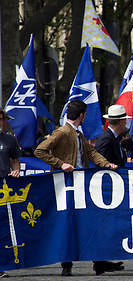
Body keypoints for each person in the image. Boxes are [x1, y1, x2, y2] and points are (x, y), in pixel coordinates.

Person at [34, 100, 120, 276]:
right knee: (67, 223)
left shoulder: (78, 134)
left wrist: (106, 164)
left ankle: (98, 262)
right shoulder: (63, 132)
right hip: (67, 185)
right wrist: (61, 164)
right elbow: (40, 150)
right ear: (82, 115)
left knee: (89, 221)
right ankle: (67, 265)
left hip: (81, 184)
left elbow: (91, 153)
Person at [0, 110, 20, 278]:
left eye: (4, 120)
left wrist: (16, 171)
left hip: (4, 186)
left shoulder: (10, 139)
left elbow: (15, 161)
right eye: (2, 120)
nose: (4, 123)